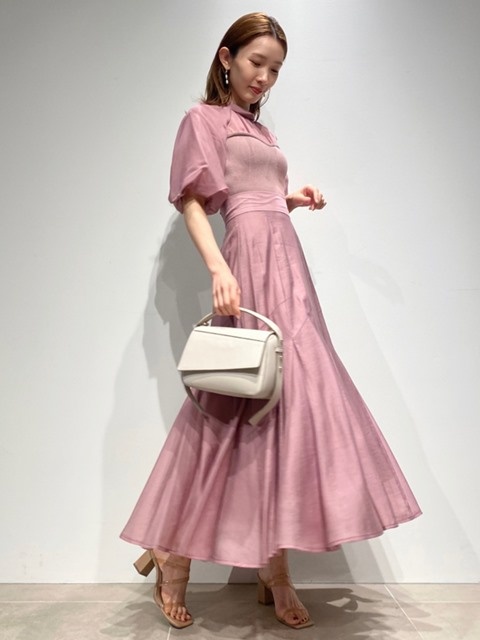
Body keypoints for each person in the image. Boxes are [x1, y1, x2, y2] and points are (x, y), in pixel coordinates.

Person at [120, 12, 422, 631]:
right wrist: (217, 269)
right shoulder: (202, 119)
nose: (265, 77)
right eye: (256, 62)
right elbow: (195, 200)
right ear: (226, 57)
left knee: (291, 406)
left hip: (289, 268)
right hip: (248, 267)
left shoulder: (259, 130)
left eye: (276, 70)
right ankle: (179, 556)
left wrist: (291, 198)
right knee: (234, 402)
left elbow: (253, 194)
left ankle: (271, 564)